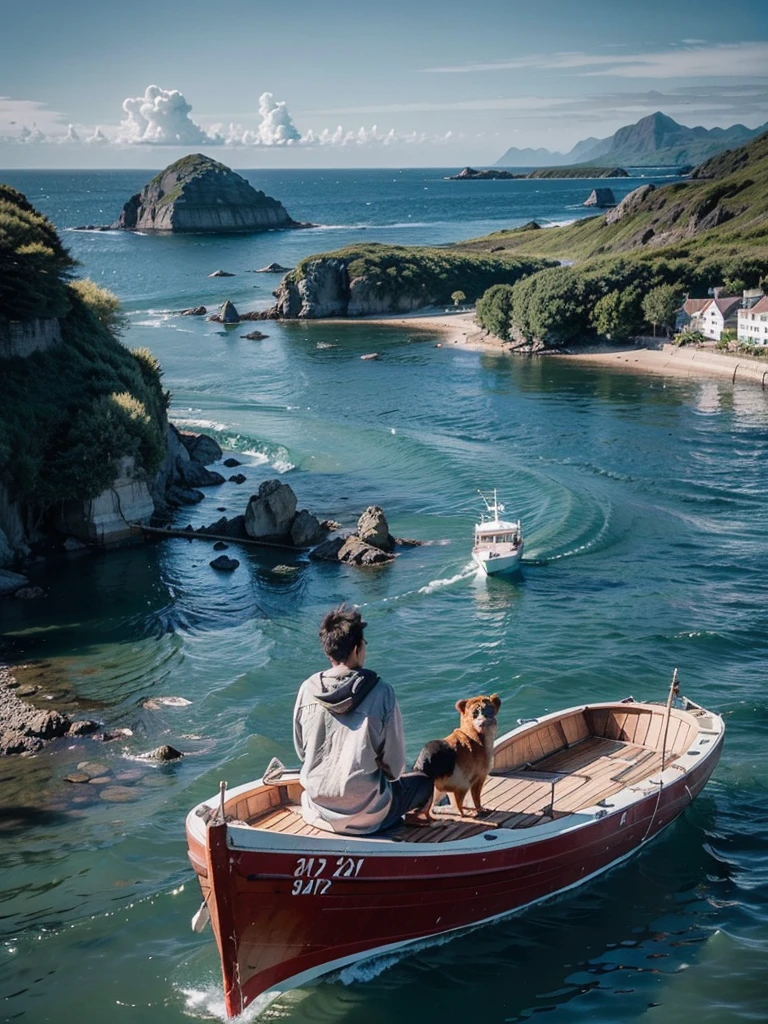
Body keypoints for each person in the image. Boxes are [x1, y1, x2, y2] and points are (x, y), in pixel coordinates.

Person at [293, 605, 433, 835]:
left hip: (317, 809)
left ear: (328, 651)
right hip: (367, 815)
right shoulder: (382, 692)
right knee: (423, 782)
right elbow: (395, 770)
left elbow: (301, 752)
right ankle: (409, 825)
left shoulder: (306, 690)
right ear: (357, 648)